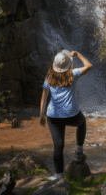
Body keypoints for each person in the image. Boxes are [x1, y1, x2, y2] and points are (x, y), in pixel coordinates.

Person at [39, 49, 93, 180]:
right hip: (71, 114)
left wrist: (41, 115)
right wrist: (78, 54)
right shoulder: (73, 74)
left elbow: (44, 97)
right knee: (82, 122)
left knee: (58, 146)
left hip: (53, 116)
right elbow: (89, 66)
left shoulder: (49, 77)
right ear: (68, 65)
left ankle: (59, 177)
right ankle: (79, 153)